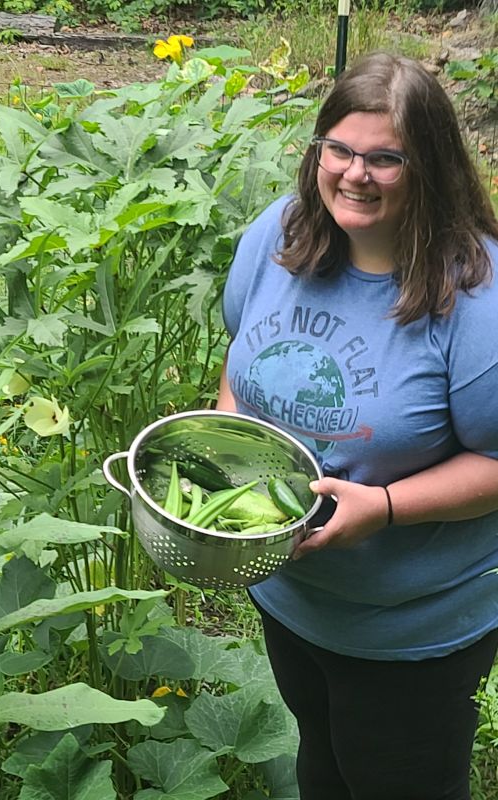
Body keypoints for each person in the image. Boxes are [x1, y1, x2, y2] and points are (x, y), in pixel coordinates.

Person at [216, 52, 498, 800]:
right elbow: (238, 362)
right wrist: (224, 437)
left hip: (410, 626)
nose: (354, 173)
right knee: (324, 768)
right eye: (338, 149)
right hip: (291, 596)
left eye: (385, 158)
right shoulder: (276, 237)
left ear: (430, 167)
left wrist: (389, 508)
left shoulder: (477, 297)